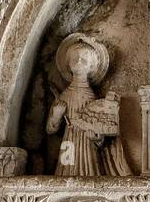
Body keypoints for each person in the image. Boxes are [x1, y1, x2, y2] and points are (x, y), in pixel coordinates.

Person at [46, 33, 131, 177]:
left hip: (87, 145)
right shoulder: (64, 96)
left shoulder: (92, 98)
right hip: (69, 143)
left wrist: (97, 137)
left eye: (84, 59)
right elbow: (50, 130)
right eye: (75, 58)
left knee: (90, 173)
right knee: (66, 174)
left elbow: (100, 127)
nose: (79, 61)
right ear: (68, 63)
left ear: (92, 66)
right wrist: (56, 116)